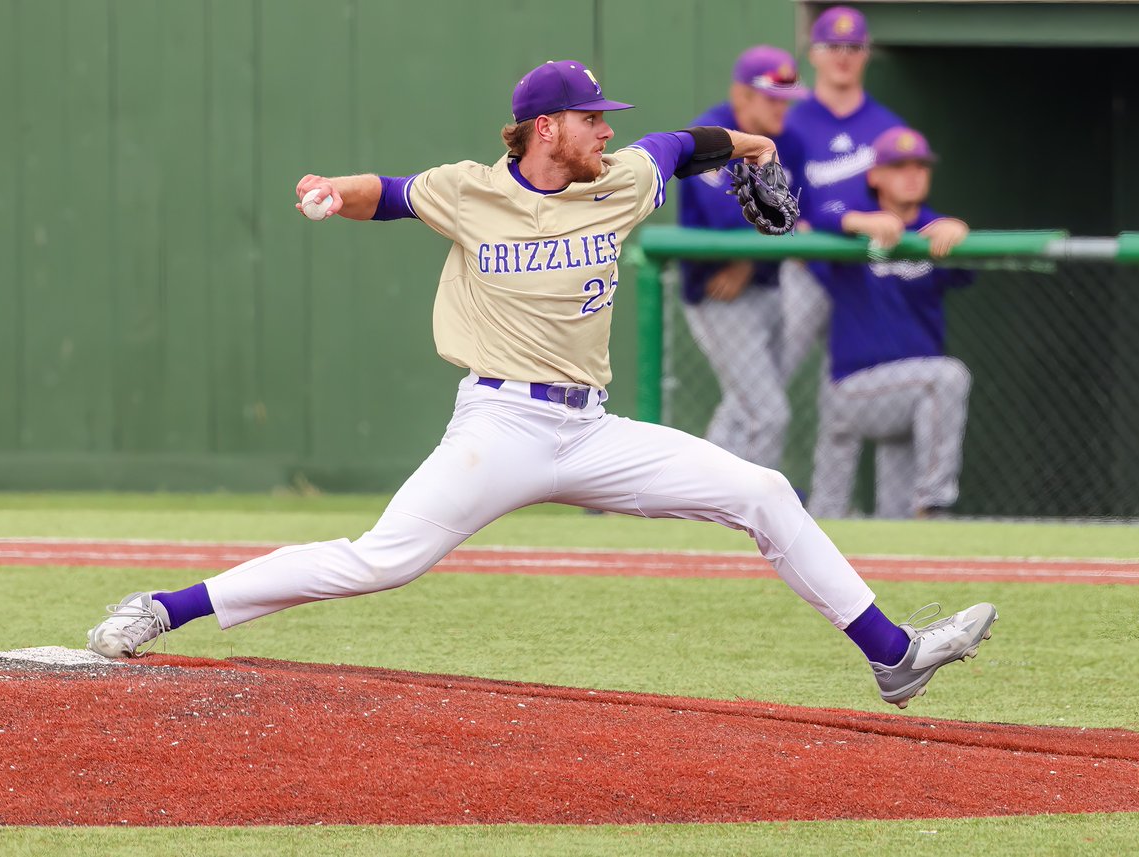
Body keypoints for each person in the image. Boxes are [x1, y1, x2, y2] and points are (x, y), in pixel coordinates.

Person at [87, 60, 995, 709]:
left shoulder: (623, 179)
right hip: (499, 425)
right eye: (593, 117)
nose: (607, 129)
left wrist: (752, 145)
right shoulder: (471, 190)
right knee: (383, 559)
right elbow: (392, 192)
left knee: (761, 489)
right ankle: (165, 608)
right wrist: (332, 189)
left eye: (608, 118)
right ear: (546, 127)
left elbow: (681, 142)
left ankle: (894, 656)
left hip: (593, 431)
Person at [807, 127, 974, 520]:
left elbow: (966, 273)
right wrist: (856, 222)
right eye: (899, 166)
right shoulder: (850, 220)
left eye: (920, 166)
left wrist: (959, 231)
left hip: (912, 396)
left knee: (894, 519)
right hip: (855, 389)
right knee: (947, 378)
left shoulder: (935, 228)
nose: (912, 174)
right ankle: (935, 502)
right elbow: (813, 215)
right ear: (875, 176)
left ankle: (903, 539)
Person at [676, 46, 807, 469]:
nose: (782, 108)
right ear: (741, 96)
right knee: (767, 414)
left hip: (768, 288)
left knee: (741, 409)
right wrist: (753, 254)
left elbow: (805, 212)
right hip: (720, 294)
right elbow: (726, 220)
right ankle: (750, 512)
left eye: (786, 98)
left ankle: (693, 496)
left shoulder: (791, 141)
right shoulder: (709, 135)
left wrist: (752, 259)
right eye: (772, 97)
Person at [782, 5, 906, 379]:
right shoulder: (789, 121)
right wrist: (790, 230)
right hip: (803, 268)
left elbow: (900, 200)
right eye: (832, 45)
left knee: (845, 403)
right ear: (814, 52)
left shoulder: (887, 126)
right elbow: (765, 195)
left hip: (861, 271)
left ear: (867, 53)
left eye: (853, 47)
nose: (843, 56)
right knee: (765, 392)